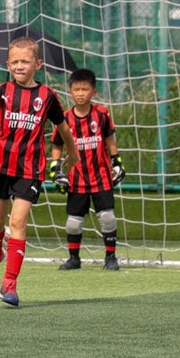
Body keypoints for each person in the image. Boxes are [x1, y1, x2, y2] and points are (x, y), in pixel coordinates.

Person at [0, 36, 81, 307]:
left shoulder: (47, 97)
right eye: (15, 62)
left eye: (26, 61)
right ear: (8, 64)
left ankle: (9, 283)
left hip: (30, 168)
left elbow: (63, 128)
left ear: (38, 64)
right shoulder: (1, 92)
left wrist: (72, 152)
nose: (20, 66)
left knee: (18, 222)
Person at [49, 67, 124, 271]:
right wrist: (55, 167)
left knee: (107, 217)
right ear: (70, 92)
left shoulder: (102, 114)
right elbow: (57, 144)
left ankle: (110, 257)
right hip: (77, 178)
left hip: (101, 177)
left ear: (94, 92)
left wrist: (116, 160)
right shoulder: (63, 118)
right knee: (73, 222)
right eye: (76, 89)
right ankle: (74, 258)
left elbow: (109, 139)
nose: (80, 93)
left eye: (85, 89)